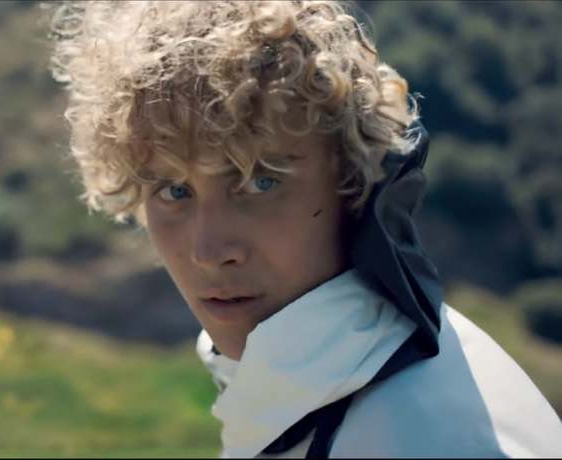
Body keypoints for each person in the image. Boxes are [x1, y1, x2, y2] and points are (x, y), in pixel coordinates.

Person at [47, 1, 562, 457]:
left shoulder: (423, 438)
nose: (208, 250)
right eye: (173, 191)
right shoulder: (301, 392)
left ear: (353, 181)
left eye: (259, 182)